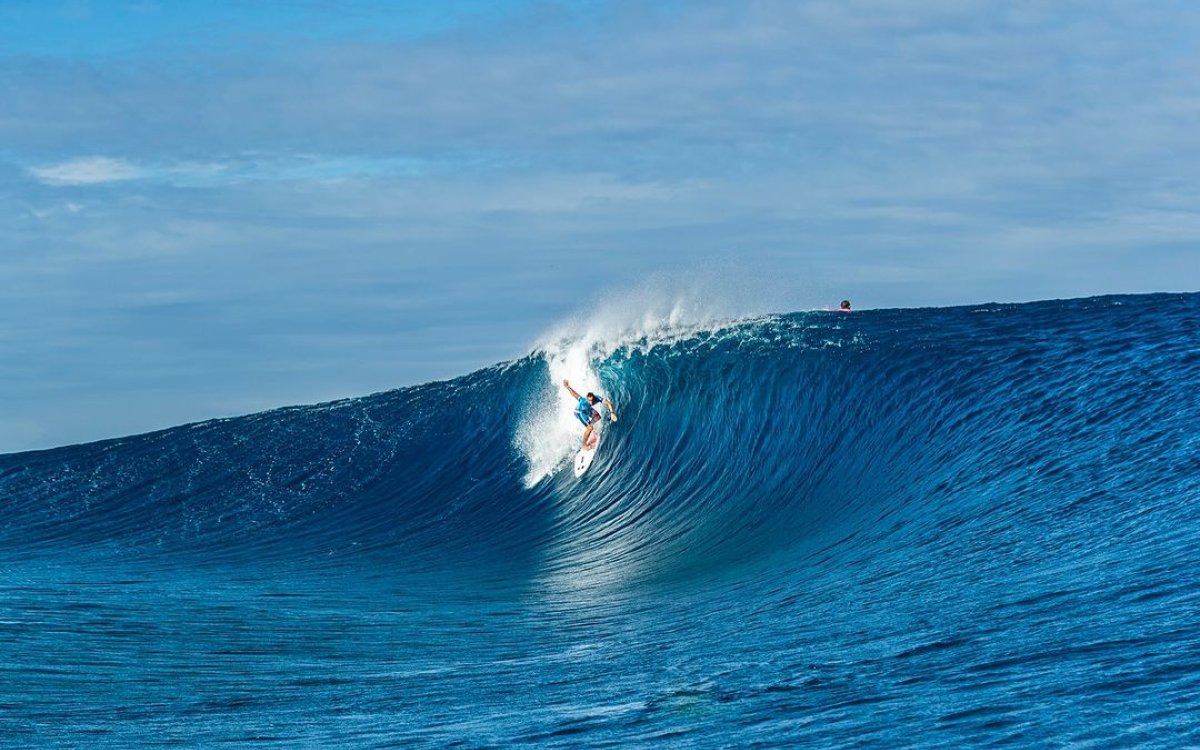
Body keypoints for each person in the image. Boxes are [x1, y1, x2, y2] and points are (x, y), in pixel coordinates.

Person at [562, 379, 618, 451]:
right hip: (579, 412)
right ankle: (584, 445)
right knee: (589, 428)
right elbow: (574, 394)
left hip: (587, 410)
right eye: (589, 401)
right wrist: (567, 387)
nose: (591, 402)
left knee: (598, 417)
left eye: (592, 400)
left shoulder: (597, 398)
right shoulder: (583, 400)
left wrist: (612, 413)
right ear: (587, 399)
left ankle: (591, 431)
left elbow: (608, 403)